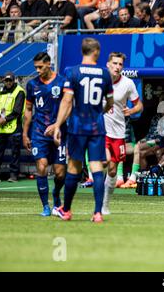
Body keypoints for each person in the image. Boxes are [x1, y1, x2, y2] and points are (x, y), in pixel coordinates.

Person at [47, 38, 114, 223]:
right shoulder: (105, 73)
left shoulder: (73, 72)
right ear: (96, 52)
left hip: (77, 126)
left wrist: (58, 125)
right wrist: (100, 112)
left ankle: (66, 210)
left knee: (74, 167)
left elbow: (67, 101)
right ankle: (97, 213)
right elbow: (110, 102)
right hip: (97, 126)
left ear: (83, 51)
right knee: (97, 167)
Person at [22, 52, 66, 217]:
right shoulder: (32, 84)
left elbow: (68, 107)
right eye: (36, 68)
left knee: (60, 172)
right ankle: (45, 206)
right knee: (41, 166)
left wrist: (57, 125)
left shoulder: (62, 82)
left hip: (59, 132)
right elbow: (28, 110)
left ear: (49, 64)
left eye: (40, 67)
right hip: (39, 132)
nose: (38, 70)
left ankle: (56, 194)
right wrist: (25, 133)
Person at [102, 52, 143, 214]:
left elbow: (139, 105)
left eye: (120, 64)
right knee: (104, 162)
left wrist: (131, 111)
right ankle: (99, 203)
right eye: (115, 63)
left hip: (118, 133)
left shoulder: (128, 84)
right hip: (101, 130)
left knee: (112, 171)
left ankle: (105, 205)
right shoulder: (100, 81)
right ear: (108, 64)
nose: (117, 67)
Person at [0, 72, 26, 183]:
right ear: (4, 81)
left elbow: (17, 110)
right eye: (6, 80)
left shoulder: (19, 91)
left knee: (15, 152)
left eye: (10, 80)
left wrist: (5, 119)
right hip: (0, 127)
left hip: (14, 126)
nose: (8, 82)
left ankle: (14, 175)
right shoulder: (1, 91)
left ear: (14, 80)